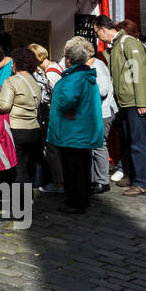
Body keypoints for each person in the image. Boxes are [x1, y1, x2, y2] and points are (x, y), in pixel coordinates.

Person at [95, 16, 146, 197]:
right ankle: (132, 175)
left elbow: (137, 74)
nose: (98, 38)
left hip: (133, 101)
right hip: (125, 101)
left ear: (102, 29)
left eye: (97, 33)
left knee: (138, 142)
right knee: (128, 141)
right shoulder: (116, 45)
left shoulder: (127, 42)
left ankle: (142, 183)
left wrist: (141, 102)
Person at [49, 37, 105, 213]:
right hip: (82, 130)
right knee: (82, 166)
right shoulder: (86, 75)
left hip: (73, 130)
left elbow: (68, 98)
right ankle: (82, 199)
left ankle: (75, 202)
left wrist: (67, 108)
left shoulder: (75, 77)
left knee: (73, 168)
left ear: (68, 60)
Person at [0, 47, 43, 190]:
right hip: (34, 130)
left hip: (17, 129)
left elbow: (4, 105)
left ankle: (20, 209)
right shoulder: (34, 81)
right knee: (27, 167)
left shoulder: (12, 81)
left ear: (17, 63)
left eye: (13, 62)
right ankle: (26, 202)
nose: (11, 65)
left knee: (18, 170)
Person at [30, 43, 65, 193]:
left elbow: (52, 97)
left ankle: (59, 183)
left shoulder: (50, 73)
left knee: (52, 150)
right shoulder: (55, 66)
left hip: (53, 117)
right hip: (56, 117)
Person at [88, 50, 117, 193]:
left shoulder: (97, 66)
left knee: (99, 145)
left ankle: (102, 181)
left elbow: (103, 91)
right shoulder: (92, 66)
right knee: (95, 145)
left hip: (104, 112)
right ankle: (96, 179)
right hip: (97, 112)